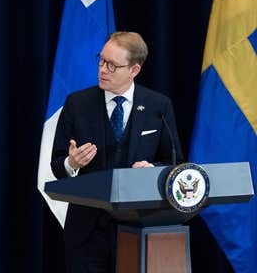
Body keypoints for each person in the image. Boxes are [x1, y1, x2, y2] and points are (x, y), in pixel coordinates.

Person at [51, 31, 183, 273]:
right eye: (101, 60)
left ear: (134, 70)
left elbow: (175, 162)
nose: (102, 69)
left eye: (112, 65)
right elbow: (57, 165)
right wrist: (71, 163)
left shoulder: (158, 106)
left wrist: (152, 171)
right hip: (87, 234)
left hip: (140, 228)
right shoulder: (77, 104)